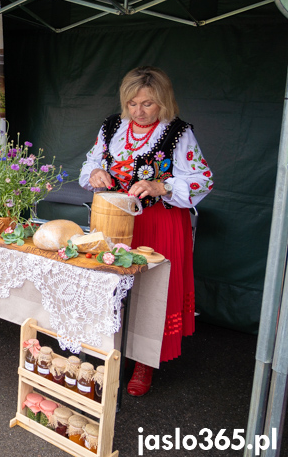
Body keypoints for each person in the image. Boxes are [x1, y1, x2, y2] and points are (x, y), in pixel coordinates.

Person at [79, 66, 213, 396]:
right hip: (113, 221)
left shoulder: (178, 133)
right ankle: (115, 352)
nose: (139, 111)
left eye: (148, 104)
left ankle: (144, 362)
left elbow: (203, 179)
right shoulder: (111, 126)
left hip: (158, 224)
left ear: (163, 102)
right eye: (133, 103)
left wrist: (162, 186)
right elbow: (89, 165)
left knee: (149, 291)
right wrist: (95, 172)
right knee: (112, 285)